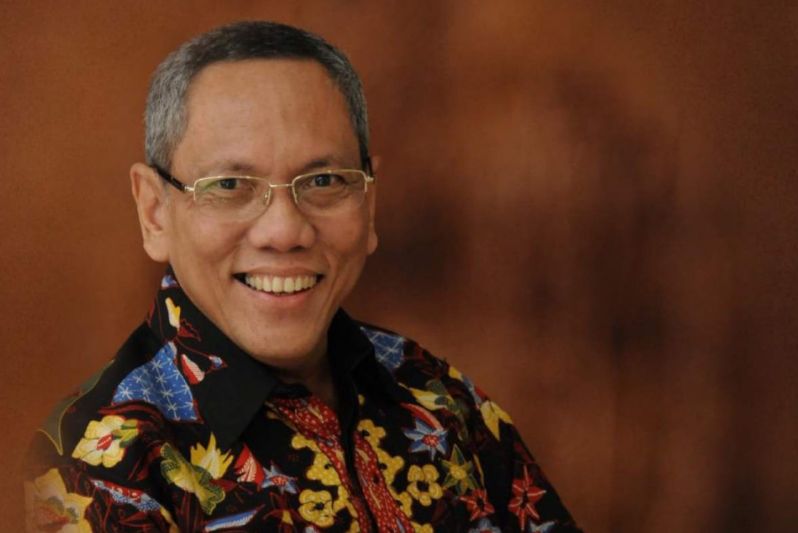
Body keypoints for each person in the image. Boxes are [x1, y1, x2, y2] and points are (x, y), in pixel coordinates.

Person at [24, 21, 581, 532]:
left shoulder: (437, 395)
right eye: (229, 185)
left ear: (369, 203)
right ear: (154, 212)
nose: (285, 231)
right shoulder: (94, 470)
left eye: (323, 181)